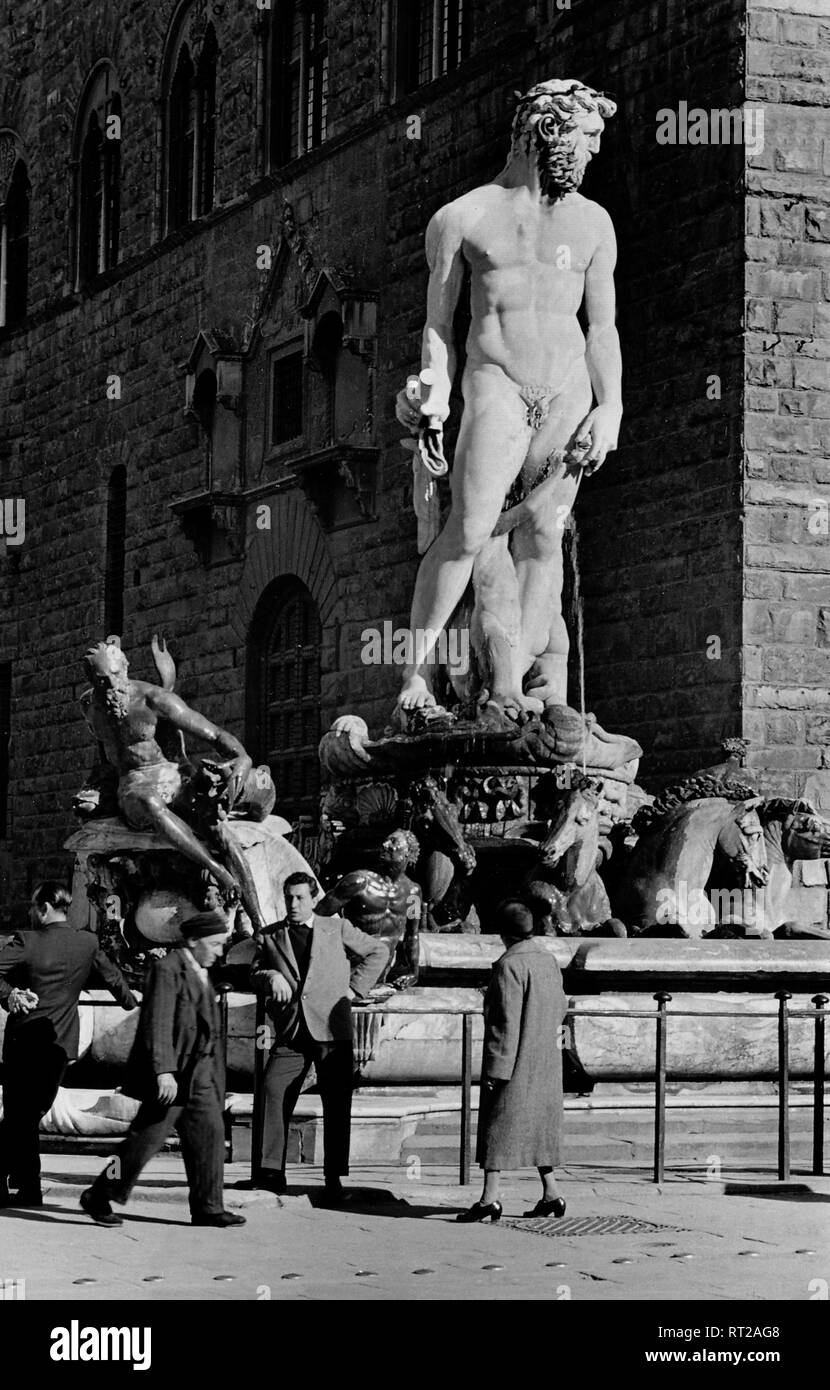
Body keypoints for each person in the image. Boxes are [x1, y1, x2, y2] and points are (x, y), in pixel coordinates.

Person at [396, 79, 621, 719]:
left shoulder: (593, 223)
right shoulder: (462, 218)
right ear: (549, 132)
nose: (594, 153)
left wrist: (612, 408)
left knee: (545, 538)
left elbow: (602, 328)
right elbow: (439, 327)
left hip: (569, 393)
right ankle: (415, 673)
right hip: (496, 382)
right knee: (466, 531)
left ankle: (510, 686)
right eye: (588, 139)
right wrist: (431, 392)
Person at [81, 909, 243, 1228]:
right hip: (175, 1074)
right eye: (214, 944)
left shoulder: (205, 969)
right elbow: (157, 1021)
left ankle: (208, 1206)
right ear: (193, 941)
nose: (219, 951)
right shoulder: (167, 969)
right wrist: (163, 1070)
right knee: (142, 1142)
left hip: (204, 1075)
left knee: (210, 1135)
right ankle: (99, 1194)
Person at [251, 871, 389, 1203]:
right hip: (294, 1030)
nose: (293, 904)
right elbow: (253, 972)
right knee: (272, 1089)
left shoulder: (336, 927)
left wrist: (354, 988)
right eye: (288, 898)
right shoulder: (270, 936)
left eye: (300, 897)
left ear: (314, 898)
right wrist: (269, 975)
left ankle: (333, 1179)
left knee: (337, 1102)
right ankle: (271, 1173)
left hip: (332, 1028)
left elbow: (378, 953)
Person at [0, 881, 138, 1208]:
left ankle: (20, 1183)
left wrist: (9, 994)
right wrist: (131, 1001)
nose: (32, 913)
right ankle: (28, 1186)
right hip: (59, 1048)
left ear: (45, 907)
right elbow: (114, 977)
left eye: (35, 907)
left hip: (23, 1046)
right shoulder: (86, 943)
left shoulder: (27, 941)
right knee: (27, 1115)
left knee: (18, 1116)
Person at [457, 899, 568, 1223]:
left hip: (515, 1062)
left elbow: (504, 1023)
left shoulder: (509, 966)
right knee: (537, 1130)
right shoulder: (547, 961)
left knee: (497, 1129)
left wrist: (496, 1068)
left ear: (503, 934)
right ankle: (551, 1193)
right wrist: (559, 1053)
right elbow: (562, 1009)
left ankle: (489, 1198)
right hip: (545, 1060)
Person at [317, 829, 422, 988]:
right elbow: (315, 917)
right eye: (386, 840)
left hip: (380, 975)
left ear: (408, 852)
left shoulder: (413, 892)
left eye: (393, 841)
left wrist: (414, 972)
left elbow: (412, 935)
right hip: (347, 969)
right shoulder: (358, 881)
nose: (385, 845)